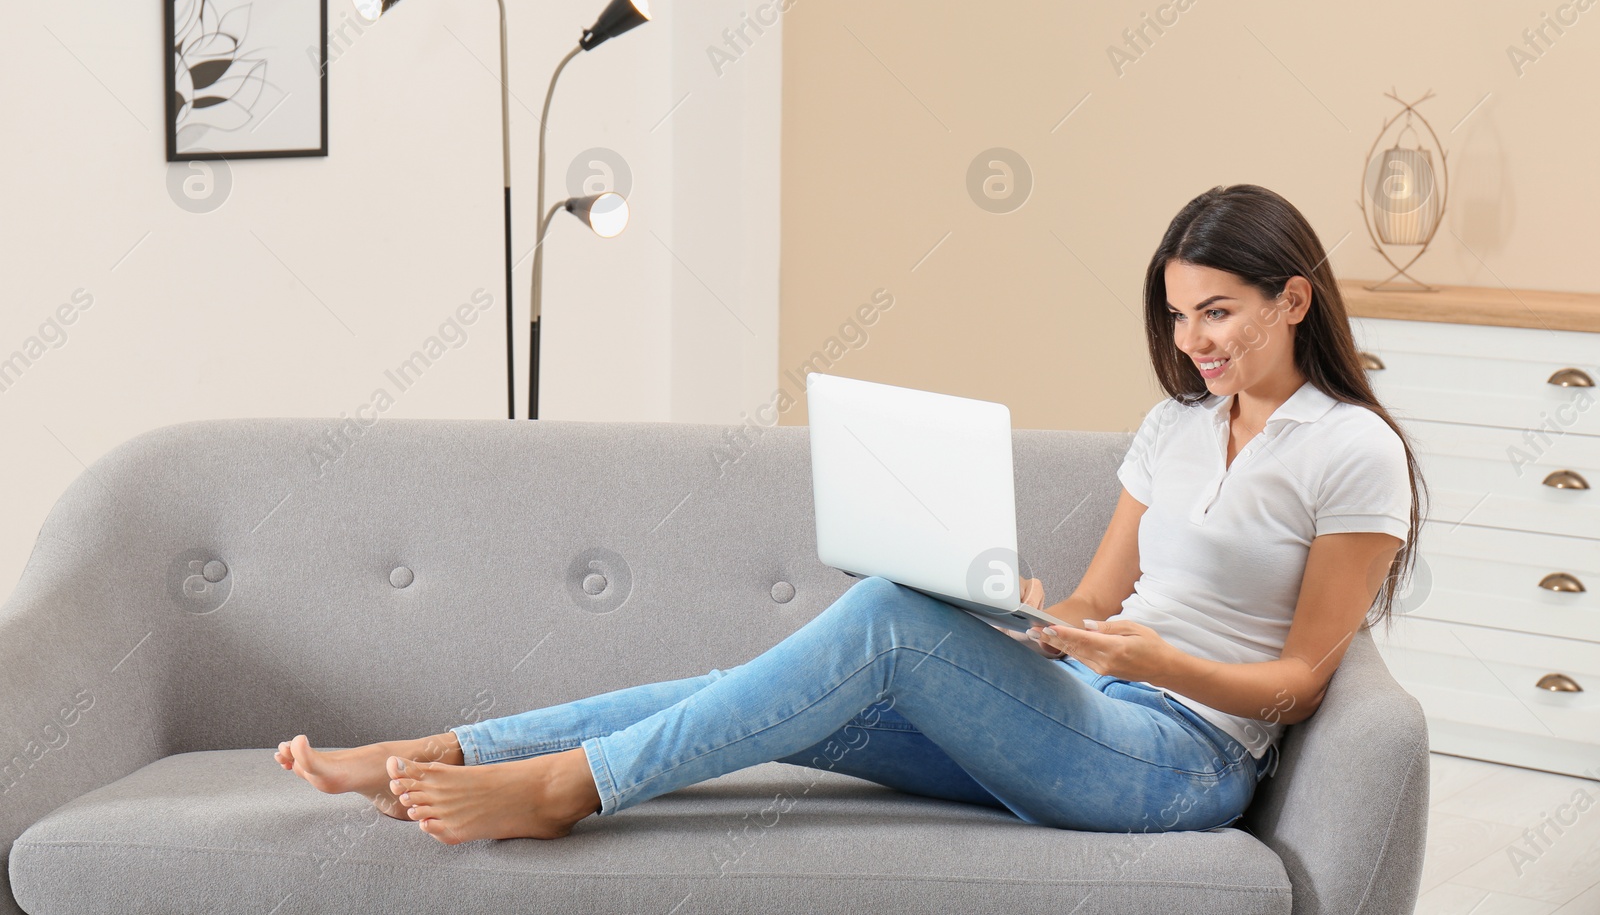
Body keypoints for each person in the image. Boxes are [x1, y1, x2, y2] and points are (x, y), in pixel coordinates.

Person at [276, 183, 1424, 844]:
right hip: (1088, 702)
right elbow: (1096, 597)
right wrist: (1038, 618)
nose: (1194, 344)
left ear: (1294, 297)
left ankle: (565, 787)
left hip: (1180, 761)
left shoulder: (1350, 451)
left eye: (1218, 313)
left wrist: (1162, 660)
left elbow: (1302, 682)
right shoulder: (1173, 425)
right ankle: (437, 748)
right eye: (1177, 317)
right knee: (752, 694)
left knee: (878, 618)